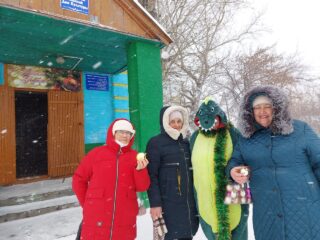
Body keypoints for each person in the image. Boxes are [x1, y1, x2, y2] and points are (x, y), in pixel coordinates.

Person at [226, 85, 320, 240]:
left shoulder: (300, 129)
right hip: (266, 213)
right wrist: (233, 171)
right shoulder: (245, 138)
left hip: (304, 208)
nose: (262, 112)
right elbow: (235, 161)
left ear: (277, 108)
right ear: (250, 111)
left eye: (267, 106)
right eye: (257, 108)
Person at [72, 118, 150, 240]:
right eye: (121, 132)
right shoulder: (96, 153)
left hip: (125, 214)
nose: (125, 135)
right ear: (113, 133)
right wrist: (87, 203)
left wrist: (140, 170)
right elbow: (79, 179)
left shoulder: (135, 157)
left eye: (128, 133)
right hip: (97, 213)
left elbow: (142, 186)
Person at [190, 97, 248, 240]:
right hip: (204, 195)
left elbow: (244, 160)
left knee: (237, 229)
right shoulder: (195, 137)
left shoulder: (233, 134)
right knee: (213, 231)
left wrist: (237, 174)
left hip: (234, 191)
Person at [146, 106, 199, 240]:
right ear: (165, 122)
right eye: (172, 121)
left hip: (188, 205)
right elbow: (151, 176)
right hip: (167, 205)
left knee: (187, 235)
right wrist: (155, 203)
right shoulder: (155, 143)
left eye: (179, 121)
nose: (176, 125)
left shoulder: (186, 143)